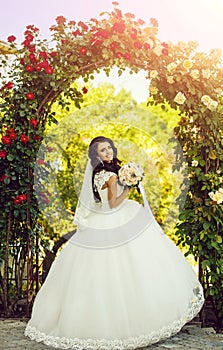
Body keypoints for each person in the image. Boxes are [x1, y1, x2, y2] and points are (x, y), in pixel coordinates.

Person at [25, 135, 204, 349]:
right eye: (103, 150)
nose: (108, 152)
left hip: (101, 220)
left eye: (109, 148)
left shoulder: (100, 173)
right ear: (96, 155)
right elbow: (112, 204)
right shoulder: (109, 175)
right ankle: (137, 321)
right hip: (115, 217)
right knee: (130, 267)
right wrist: (129, 187)